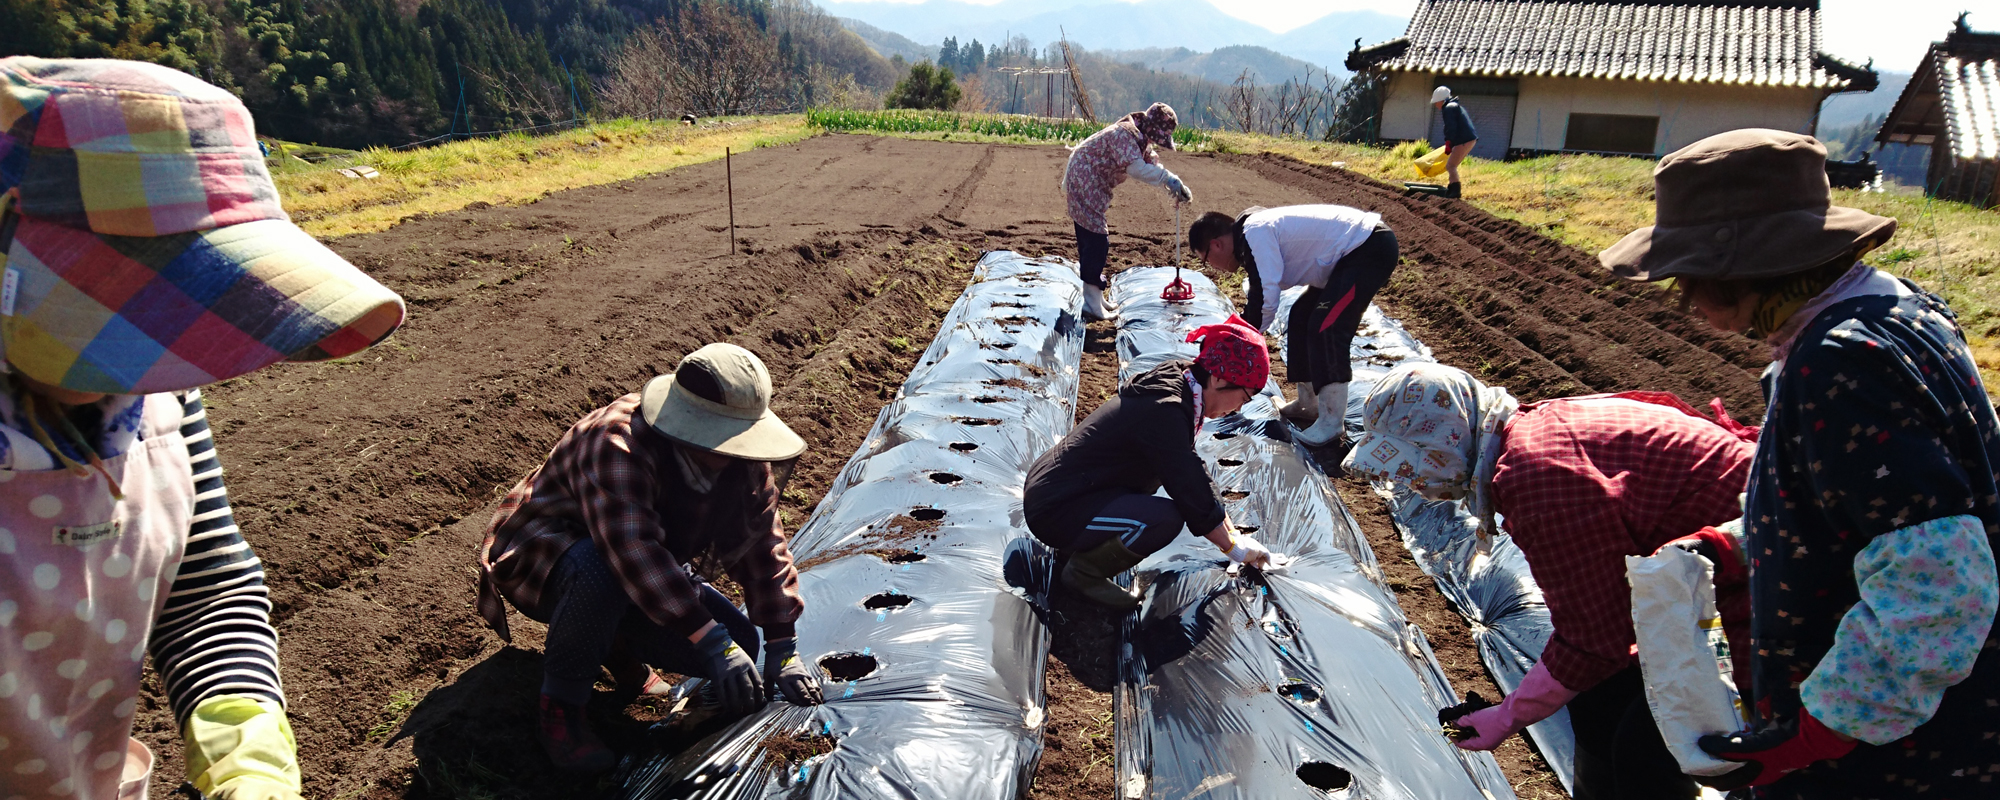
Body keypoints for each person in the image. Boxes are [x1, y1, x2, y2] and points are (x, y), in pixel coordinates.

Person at [0, 57, 409, 798]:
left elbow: (205, 586)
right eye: (127, 308)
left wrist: (246, 757)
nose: (149, 357)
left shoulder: (157, 398)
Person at [1604, 128, 2000, 798]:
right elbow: (1871, 511)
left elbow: (1936, 581)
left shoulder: (1839, 362)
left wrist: (1819, 732)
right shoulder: (1896, 309)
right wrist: (1734, 545)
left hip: (1892, 756)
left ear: (1737, 271)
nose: (1687, 301)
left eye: (1689, 279)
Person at [1343, 363, 1757, 800]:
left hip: (1762, 583)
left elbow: (1592, 638)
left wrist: (1507, 716)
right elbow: (1606, 620)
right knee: (1598, 702)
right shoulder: (1528, 428)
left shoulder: (1537, 478)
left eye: (1415, 464)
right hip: (1700, 574)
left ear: (1447, 439)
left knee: (1650, 750)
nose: (1413, 483)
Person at [478, 343, 824, 772]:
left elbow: (763, 544)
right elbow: (632, 551)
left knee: (743, 643)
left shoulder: (741, 459)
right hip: (544, 556)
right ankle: (561, 708)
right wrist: (712, 641)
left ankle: (614, 645)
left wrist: (782, 645)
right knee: (601, 571)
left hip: (641, 566)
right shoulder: (616, 442)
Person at [1023, 316, 1276, 609]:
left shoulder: (1182, 386)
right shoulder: (1165, 411)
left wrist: (1234, 535)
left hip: (1063, 489)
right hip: (1054, 509)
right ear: (1219, 378)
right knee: (1163, 519)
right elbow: (1187, 487)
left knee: (1169, 504)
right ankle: (1084, 573)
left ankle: (1081, 544)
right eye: (1243, 398)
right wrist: (1233, 549)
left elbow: (1193, 470)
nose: (1238, 409)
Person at [1187, 205, 1399, 447]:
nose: (1212, 266)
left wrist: (1237, 341)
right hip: (1345, 257)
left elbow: (1266, 298)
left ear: (1216, 245)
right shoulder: (1250, 235)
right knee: (1300, 316)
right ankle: (1308, 404)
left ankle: (1331, 422)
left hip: (1368, 248)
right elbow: (1261, 298)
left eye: (1206, 260)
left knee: (1327, 326)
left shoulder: (1254, 233)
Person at [1062, 102, 1193, 320]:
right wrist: (1167, 178)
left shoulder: (1138, 136)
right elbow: (1137, 169)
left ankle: (1095, 297)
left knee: (1094, 238)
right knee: (1095, 240)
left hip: (1091, 180)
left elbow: (1148, 163)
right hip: (1084, 177)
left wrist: (1171, 182)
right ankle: (1091, 302)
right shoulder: (1124, 135)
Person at [1430, 86, 1477, 198]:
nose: (1436, 105)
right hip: (1468, 139)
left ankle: (1455, 191)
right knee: (1451, 165)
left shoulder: (1448, 108)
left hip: (1464, 140)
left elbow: (1450, 127)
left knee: (1451, 165)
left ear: (1441, 100)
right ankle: (1451, 189)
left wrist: (1448, 142)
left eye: (1436, 102)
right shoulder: (1455, 106)